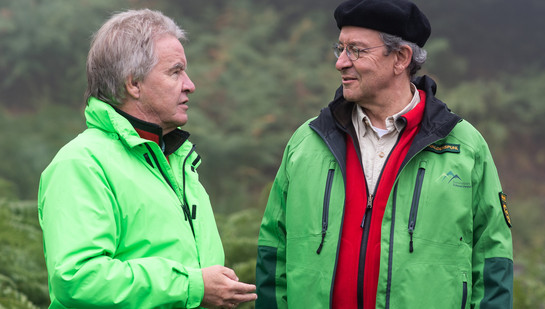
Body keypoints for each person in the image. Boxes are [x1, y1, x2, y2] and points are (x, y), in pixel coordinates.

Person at [255, 0, 513, 308]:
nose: (341, 62)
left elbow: (493, 259)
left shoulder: (465, 147)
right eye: (340, 49)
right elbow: (273, 252)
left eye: (357, 50)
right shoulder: (306, 142)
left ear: (401, 57)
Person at [38, 9, 256, 309]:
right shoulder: (81, 164)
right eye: (175, 71)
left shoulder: (178, 162)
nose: (190, 84)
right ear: (134, 84)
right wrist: (192, 286)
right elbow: (78, 278)